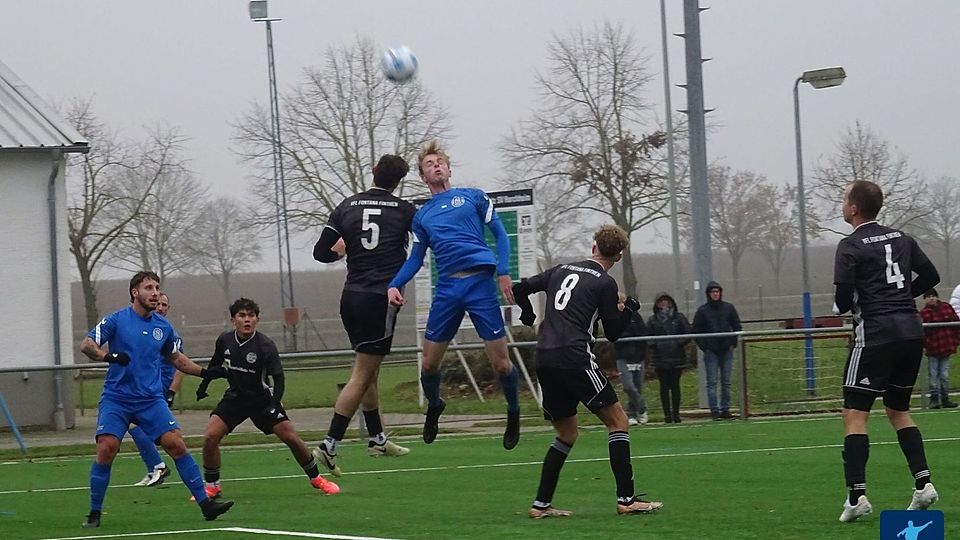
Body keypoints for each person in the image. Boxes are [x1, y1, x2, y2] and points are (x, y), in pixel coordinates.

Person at [512, 225, 663, 517]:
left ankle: (540, 505)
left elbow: (520, 289)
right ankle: (627, 500)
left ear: (593, 246)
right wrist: (629, 307)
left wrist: (527, 314)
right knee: (619, 422)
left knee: (567, 434)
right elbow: (615, 332)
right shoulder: (604, 284)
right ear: (618, 256)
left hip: (544, 357)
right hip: (574, 356)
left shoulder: (560, 269)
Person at [387, 141, 520, 449]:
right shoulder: (422, 216)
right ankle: (435, 405)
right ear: (422, 176)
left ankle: (513, 412)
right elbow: (415, 258)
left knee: (502, 364)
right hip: (448, 288)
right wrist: (394, 284)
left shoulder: (472, 197)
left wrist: (503, 271)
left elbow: (500, 235)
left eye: (439, 162)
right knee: (429, 365)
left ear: (448, 168)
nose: (435, 166)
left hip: (480, 285)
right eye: (428, 164)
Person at [78, 271, 234, 528]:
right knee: (107, 448)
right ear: (134, 292)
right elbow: (86, 345)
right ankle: (94, 514)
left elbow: (177, 359)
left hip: (150, 400)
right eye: (148, 287)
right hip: (117, 399)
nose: (155, 293)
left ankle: (206, 505)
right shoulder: (116, 320)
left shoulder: (163, 327)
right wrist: (108, 357)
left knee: (176, 445)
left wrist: (206, 372)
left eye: (157, 287)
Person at [832, 180, 941, 522]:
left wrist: (846, 306)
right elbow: (931, 275)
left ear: (853, 209)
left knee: (854, 414)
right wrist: (903, 297)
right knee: (898, 410)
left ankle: (857, 497)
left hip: (876, 334)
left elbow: (842, 299)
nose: (842, 203)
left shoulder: (849, 245)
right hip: (910, 331)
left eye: (844, 198)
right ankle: (924, 485)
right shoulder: (902, 238)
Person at [311, 154, 415, 476]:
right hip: (378, 299)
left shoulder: (347, 206)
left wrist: (342, 249)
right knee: (362, 374)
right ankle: (329, 445)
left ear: (373, 172)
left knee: (368, 368)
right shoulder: (405, 211)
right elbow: (425, 245)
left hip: (351, 297)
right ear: (398, 182)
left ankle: (378, 438)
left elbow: (320, 252)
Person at [196, 298, 340, 498]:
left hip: (262, 400)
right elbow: (215, 365)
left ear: (257, 319)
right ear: (233, 319)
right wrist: (203, 386)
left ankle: (317, 479)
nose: (247, 320)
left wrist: (274, 404)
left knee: (291, 437)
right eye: (242, 316)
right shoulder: (225, 340)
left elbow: (279, 379)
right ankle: (212, 486)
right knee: (210, 437)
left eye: (251, 316)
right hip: (236, 398)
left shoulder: (265, 345)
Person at [128, 292, 179, 487]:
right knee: (135, 427)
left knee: (138, 426)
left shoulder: (168, 332)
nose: (160, 307)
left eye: (164, 305)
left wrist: (172, 391)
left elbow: (180, 364)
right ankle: (154, 468)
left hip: (158, 390)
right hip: (144, 388)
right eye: (158, 304)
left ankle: (157, 466)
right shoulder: (146, 330)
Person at [691, 281, 741, 420]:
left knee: (726, 382)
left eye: (717, 291)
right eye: (713, 292)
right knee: (712, 382)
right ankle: (714, 410)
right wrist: (705, 347)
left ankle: (726, 409)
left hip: (726, 349)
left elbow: (736, 325)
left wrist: (733, 343)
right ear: (708, 294)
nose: (715, 294)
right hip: (711, 351)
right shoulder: (702, 311)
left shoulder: (729, 308)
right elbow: (696, 331)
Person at [646, 292, 691, 424]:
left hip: (676, 357)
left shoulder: (679, 317)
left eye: (667, 302)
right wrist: (656, 345)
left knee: (675, 386)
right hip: (660, 358)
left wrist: (678, 343)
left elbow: (688, 332)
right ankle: (667, 414)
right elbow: (648, 336)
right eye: (661, 302)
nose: (664, 304)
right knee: (664, 387)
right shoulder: (653, 320)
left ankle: (676, 414)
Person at [919, 289, 959, 409]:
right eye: (928, 296)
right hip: (932, 349)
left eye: (933, 296)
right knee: (933, 375)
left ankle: (945, 398)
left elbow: (956, 324)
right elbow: (922, 333)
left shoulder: (946, 308)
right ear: (925, 299)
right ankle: (934, 399)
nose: (931, 298)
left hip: (946, 347)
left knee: (944, 375)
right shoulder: (923, 313)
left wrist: (955, 341)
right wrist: (924, 346)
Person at [614, 293, 648, 426]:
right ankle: (642, 407)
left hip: (638, 356)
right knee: (629, 386)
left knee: (638, 386)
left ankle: (633, 414)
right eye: (617, 303)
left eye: (622, 302)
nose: (620, 305)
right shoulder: (613, 318)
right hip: (623, 356)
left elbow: (642, 332)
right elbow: (614, 336)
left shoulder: (635, 316)